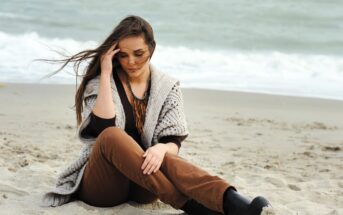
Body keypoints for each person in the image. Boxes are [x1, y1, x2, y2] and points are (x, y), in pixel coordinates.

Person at [42, 15, 270, 215]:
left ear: (152, 48)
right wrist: (105, 73)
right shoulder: (101, 84)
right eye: (123, 55)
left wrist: (161, 148)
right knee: (112, 136)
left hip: (146, 186)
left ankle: (232, 203)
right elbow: (103, 129)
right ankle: (193, 207)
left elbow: (173, 140)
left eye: (139, 53)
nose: (131, 62)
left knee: (165, 155)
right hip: (104, 187)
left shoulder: (168, 87)